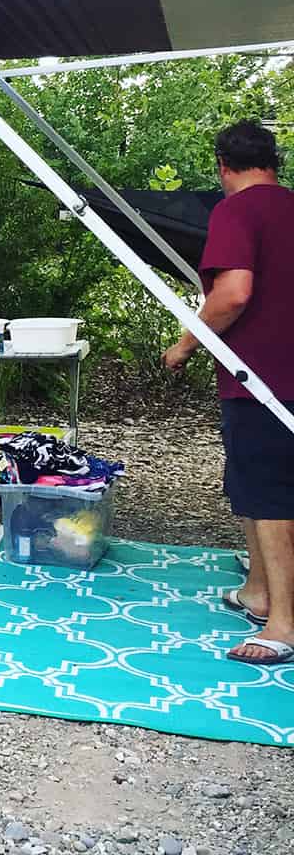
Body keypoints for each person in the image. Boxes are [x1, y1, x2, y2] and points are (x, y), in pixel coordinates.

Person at [162, 120, 294, 665]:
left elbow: (234, 292)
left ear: (223, 166)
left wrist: (185, 343)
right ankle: (258, 593)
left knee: (269, 496)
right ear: (275, 162)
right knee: (253, 484)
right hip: (280, 372)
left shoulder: (234, 211)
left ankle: (284, 625)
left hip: (262, 377)